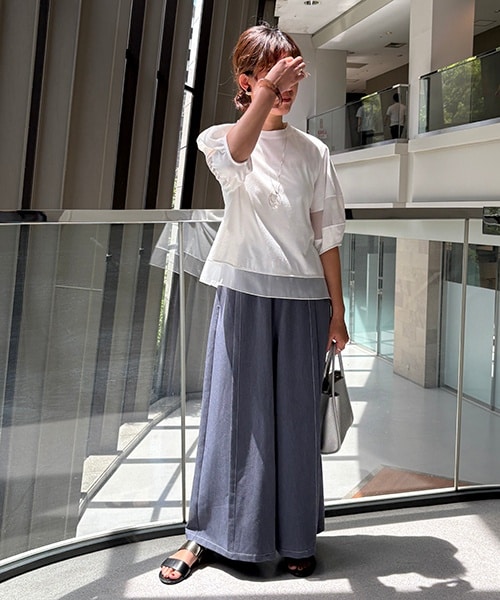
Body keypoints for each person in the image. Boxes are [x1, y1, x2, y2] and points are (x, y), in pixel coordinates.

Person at [159, 23, 349, 585]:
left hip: (305, 301)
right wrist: (268, 88)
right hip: (242, 295)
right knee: (232, 417)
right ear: (247, 80)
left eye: (293, 73)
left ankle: (294, 535)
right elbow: (239, 154)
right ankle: (206, 536)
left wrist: (338, 311)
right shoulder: (220, 137)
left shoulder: (314, 152)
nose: (289, 86)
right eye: (275, 73)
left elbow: (327, 238)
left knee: (294, 422)